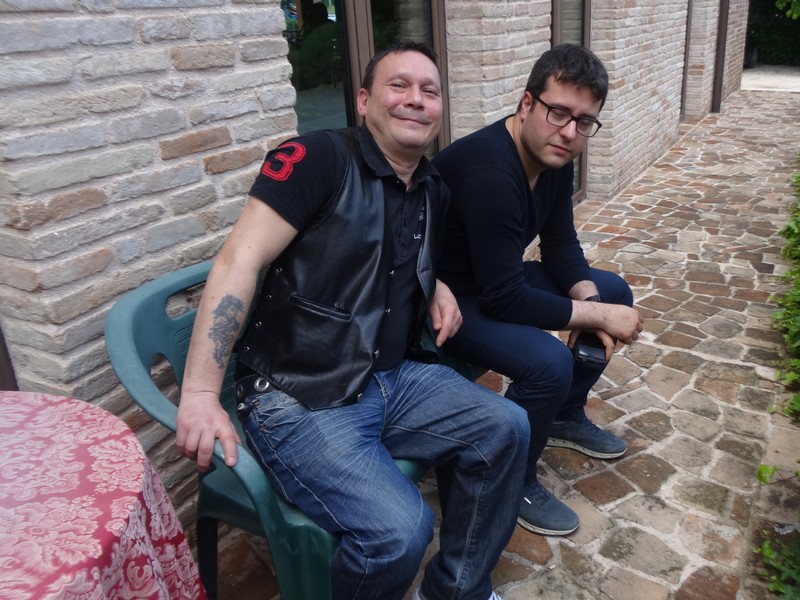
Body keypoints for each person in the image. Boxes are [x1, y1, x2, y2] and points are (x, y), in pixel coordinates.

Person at [175, 41, 529, 600]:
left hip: (390, 378)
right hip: (297, 394)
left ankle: (455, 591)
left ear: (441, 110)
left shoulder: (431, 187)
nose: (415, 99)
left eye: (429, 91)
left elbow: (388, 253)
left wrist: (434, 284)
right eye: (398, 85)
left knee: (507, 426)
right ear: (363, 101)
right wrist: (199, 392)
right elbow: (239, 260)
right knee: (399, 531)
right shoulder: (317, 158)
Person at [432, 44, 644, 537]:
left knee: (612, 292)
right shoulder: (490, 170)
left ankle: (565, 414)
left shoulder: (554, 157)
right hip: (446, 302)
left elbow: (561, 245)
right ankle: (514, 479)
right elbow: (504, 298)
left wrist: (592, 303)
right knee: (548, 363)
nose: (569, 132)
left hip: (493, 281)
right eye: (559, 113)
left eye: (584, 121)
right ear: (527, 103)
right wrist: (597, 318)